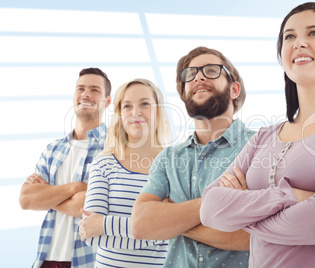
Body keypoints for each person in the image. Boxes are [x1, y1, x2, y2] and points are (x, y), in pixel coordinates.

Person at [200, 2, 315, 268]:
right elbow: (210, 208)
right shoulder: (263, 137)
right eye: (289, 36)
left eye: (314, 33)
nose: (299, 43)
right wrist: (292, 196)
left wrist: (242, 213)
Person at [131, 46, 255, 267]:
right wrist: (222, 202)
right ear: (184, 94)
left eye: (211, 70)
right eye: (191, 74)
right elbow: (140, 224)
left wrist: (171, 217)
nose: (198, 76)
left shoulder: (261, 147)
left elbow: (251, 236)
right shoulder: (168, 158)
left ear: (234, 89)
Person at [19, 68, 112, 268]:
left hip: (87, 260)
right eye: (81, 89)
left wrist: (47, 197)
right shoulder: (53, 149)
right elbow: (26, 200)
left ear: (108, 101)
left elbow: (89, 205)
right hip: (46, 258)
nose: (86, 94)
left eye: (95, 90)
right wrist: (75, 188)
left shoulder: (114, 147)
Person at [78, 78, 172, 267]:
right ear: (120, 114)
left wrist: (105, 224)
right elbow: (90, 235)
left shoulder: (176, 165)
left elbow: (178, 231)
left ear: (158, 111)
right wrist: (156, 230)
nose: (135, 112)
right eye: (127, 106)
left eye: (144, 104)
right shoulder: (103, 164)